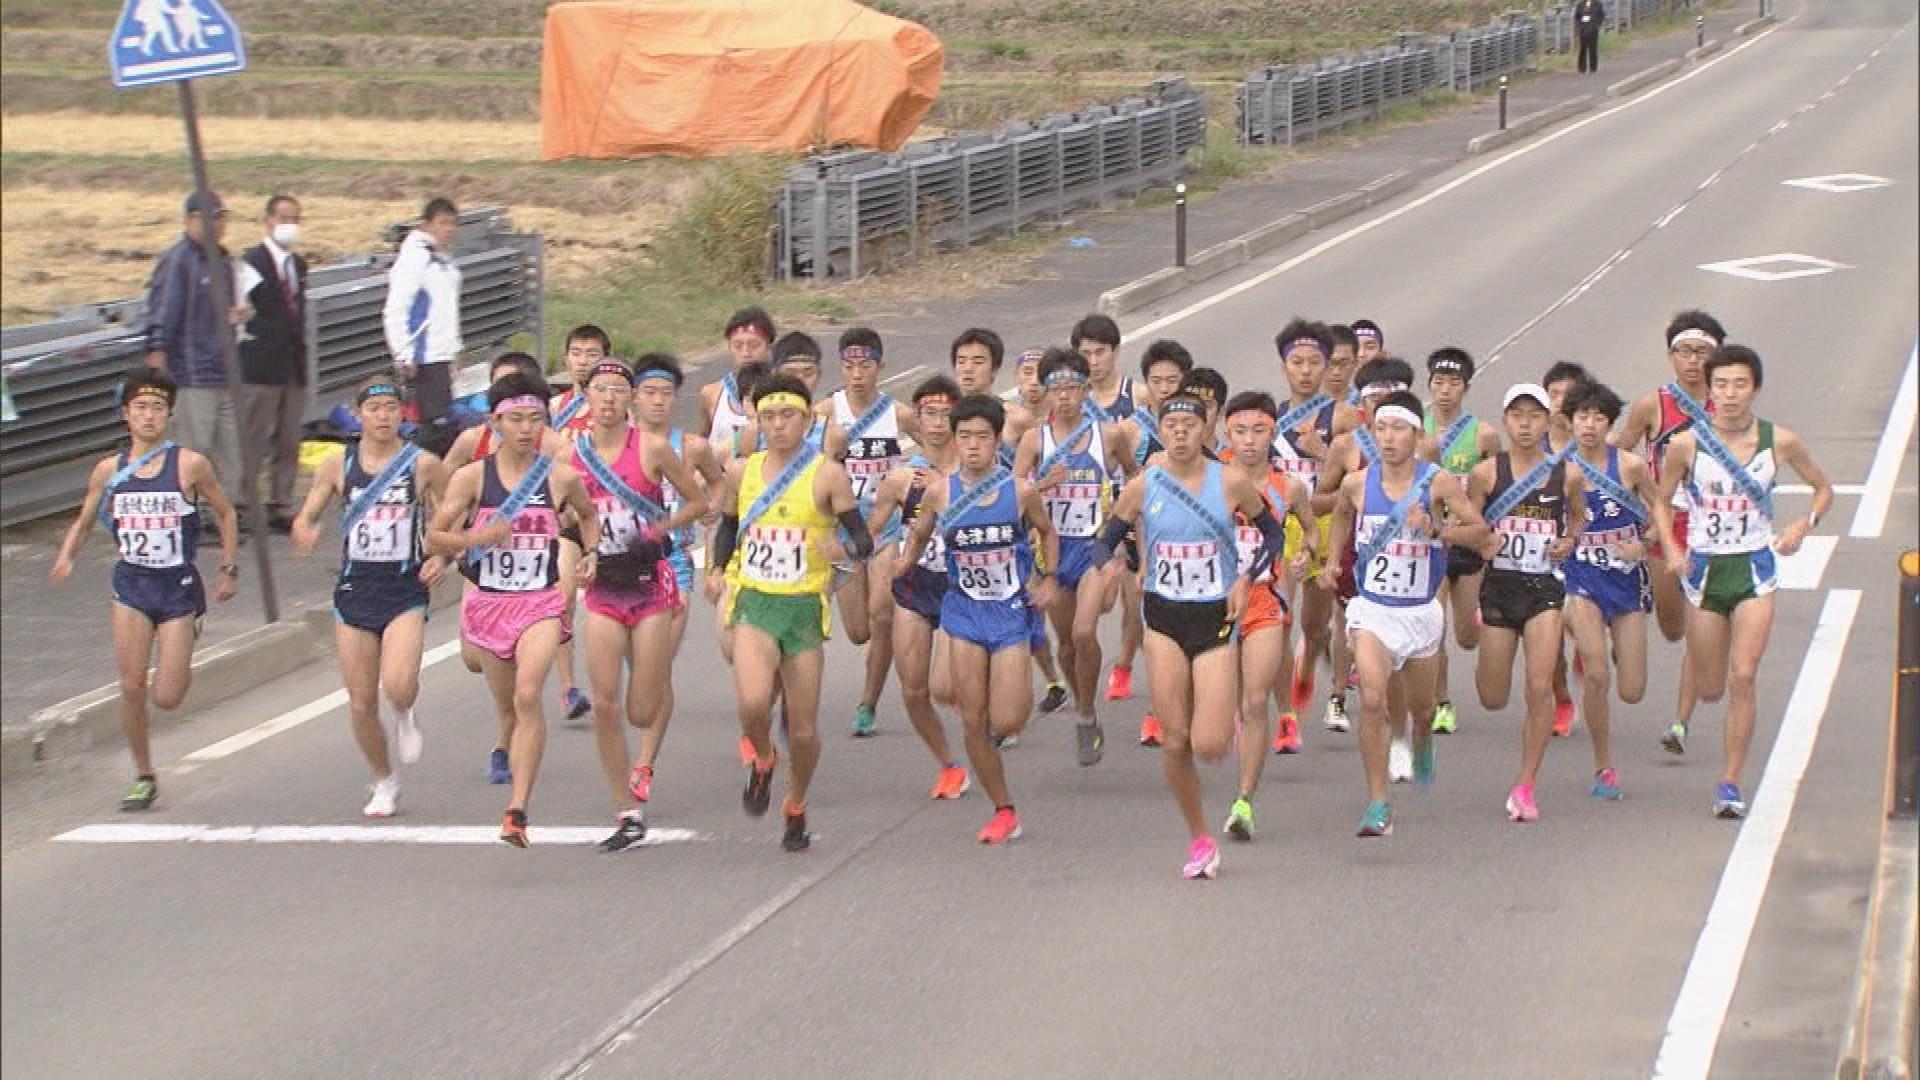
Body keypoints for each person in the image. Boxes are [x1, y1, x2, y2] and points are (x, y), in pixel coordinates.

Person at [1095, 392, 1288, 876]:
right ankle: (1199, 837)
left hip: (1215, 619)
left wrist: (1246, 576)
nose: (1180, 432)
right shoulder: (1143, 486)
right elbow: (1105, 540)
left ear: (1206, 431)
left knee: (1210, 744)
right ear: (1160, 430)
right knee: (1175, 740)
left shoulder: (1232, 482)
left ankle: (1226, 726)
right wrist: (1126, 565)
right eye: (1171, 423)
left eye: (1189, 424)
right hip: (1162, 619)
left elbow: (1273, 534)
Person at [1649, 346, 1832, 818]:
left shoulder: (1780, 441)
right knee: (1711, 686)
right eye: (1722, 385)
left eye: (1740, 384)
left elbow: (1823, 487)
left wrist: (1802, 524)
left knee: (1744, 676)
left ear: (1755, 388)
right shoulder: (1686, 444)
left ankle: (1730, 782)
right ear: (1709, 390)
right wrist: (1671, 547)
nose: (1730, 394)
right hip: (1706, 571)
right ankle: (1702, 710)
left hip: (1754, 568)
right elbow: (1661, 500)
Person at [52, 367, 240, 812]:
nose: (149, 416)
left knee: (168, 697)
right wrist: (67, 555)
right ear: (126, 415)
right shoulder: (108, 470)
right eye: (140, 408)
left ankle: (184, 644)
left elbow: (227, 513)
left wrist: (228, 568)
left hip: (176, 586)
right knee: (132, 685)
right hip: (132, 584)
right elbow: (84, 520)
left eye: (157, 408)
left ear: (169, 415)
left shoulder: (189, 464)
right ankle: (143, 774)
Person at [428, 372, 601, 847]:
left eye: (535, 419)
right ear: (496, 422)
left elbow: (588, 514)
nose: (526, 428)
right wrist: (474, 538)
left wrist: (591, 553)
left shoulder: (559, 476)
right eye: (515, 419)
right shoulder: (469, 478)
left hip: (539, 602)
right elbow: (434, 536)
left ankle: (517, 809)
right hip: (489, 604)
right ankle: (508, 758)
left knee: (529, 696)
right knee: (508, 704)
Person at [706, 374, 874, 852]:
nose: (779, 426)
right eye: (769, 417)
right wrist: (718, 568)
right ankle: (762, 758)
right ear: (757, 422)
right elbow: (729, 527)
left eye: (789, 416)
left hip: (802, 609)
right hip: (755, 602)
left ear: (806, 419)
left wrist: (837, 544)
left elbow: (863, 540)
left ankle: (796, 803)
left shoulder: (827, 474)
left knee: (803, 730)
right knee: (753, 703)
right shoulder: (743, 471)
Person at [1320, 391, 1486, 837]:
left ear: (1417, 435)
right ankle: (1378, 802)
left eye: (1399, 429)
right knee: (1372, 698)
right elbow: (1338, 513)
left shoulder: (1439, 483)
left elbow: (1480, 533)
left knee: (1421, 708)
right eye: (1382, 429)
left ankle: (1421, 739)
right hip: (1373, 610)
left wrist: (1436, 529)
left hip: (1420, 611)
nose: (1389, 438)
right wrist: (1334, 560)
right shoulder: (1358, 483)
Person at [900, 394, 1060, 844]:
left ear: (996, 442)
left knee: (1007, 720)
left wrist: (1047, 579)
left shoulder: (1019, 491)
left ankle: (1008, 700)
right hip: (963, 610)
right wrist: (904, 562)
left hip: (1009, 610)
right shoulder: (940, 490)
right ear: (954, 441)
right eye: (964, 436)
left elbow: (1047, 532)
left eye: (982, 437)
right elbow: (920, 530)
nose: (972, 446)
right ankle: (1003, 808)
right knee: (972, 719)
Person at [289, 377, 449, 817]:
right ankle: (383, 779)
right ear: (358, 416)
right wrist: (304, 528)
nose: (383, 416)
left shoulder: (423, 465)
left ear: (402, 414)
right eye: (374, 408)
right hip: (355, 587)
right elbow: (308, 513)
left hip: (403, 588)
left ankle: (406, 711)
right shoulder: (337, 466)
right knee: (360, 700)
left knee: (397, 685)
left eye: (390, 408)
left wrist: (442, 558)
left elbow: (450, 518)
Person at [570, 358, 709, 852]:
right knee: (605, 705)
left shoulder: (651, 449)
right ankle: (626, 811)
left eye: (617, 389)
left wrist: (660, 532)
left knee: (641, 706)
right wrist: (583, 551)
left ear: (629, 399)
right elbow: (563, 513)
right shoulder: (573, 455)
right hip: (605, 591)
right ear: (585, 396)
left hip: (651, 586)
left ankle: (643, 759)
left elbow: (698, 503)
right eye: (600, 389)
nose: (608, 397)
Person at [1012, 347, 1141, 766]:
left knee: (1085, 632)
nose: (1065, 396)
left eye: (1073, 388)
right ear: (1045, 393)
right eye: (1057, 389)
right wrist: (1043, 485)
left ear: (1086, 390)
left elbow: (1134, 476)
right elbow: (1011, 499)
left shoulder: (1109, 435)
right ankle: (1085, 709)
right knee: (1067, 644)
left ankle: (1085, 714)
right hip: (1053, 550)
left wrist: (1125, 518)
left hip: (1095, 547)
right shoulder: (1034, 440)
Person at [1467, 384, 1587, 823]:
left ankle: (1525, 785)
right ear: (1505, 421)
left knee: (1538, 687)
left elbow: (1579, 514)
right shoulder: (1487, 473)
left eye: (1534, 416)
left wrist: (1569, 541)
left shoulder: (1566, 474)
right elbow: (1466, 520)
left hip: (1543, 589)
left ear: (1548, 422)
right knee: (1493, 696)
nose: (1524, 424)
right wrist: (1482, 540)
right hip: (1499, 588)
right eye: (1516, 415)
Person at [1219, 391, 1318, 837]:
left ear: (1273, 432)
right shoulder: (1210, 479)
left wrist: (1304, 560)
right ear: (1226, 432)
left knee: (1254, 699)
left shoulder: (1290, 486)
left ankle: (1243, 801)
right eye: (1240, 431)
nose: (1249, 441)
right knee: (1227, 703)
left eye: (1259, 431)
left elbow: (1314, 532)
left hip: (1265, 600)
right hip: (1213, 602)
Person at [868, 376, 971, 801]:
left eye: (947, 414)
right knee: (913, 688)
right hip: (914, 583)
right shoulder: (901, 478)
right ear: (917, 417)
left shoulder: (975, 469)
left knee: (947, 686)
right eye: (929, 413)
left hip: (961, 586)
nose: (937, 422)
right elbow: (872, 527)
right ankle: (948, 763)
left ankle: (980, 725)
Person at [1312, 355, 1415, 763]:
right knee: (1347, 623)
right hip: (1360, 550)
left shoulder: (1423, 448)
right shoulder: (1347, 446)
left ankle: (1403, 722)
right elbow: (1319, 500)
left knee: (1400, 642)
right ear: (1364, 402)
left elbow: (1443, 504)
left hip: (1408, 556)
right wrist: (1352, 497)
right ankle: (1338, 694)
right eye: (1376, 398)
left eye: (1393, 398)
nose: (1383, 406)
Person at [1560, 380, 1659, 801]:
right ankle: (1604, 766)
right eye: (1582, 416)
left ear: (1609, 423)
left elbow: (1661, 515)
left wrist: (1646, 543)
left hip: (1624, 578)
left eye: (1598, 417)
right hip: (1580, 576)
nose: (1589, 425)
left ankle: (1610, 646)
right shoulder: (1559, 470)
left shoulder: (1631, 467)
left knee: (1631, 689)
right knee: (1597, 675)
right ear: (1569, 422)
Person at [632, 353, 729, 775]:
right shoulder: (617, 445)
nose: (658, 402)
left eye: (666, 394)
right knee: (638, 675)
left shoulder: (691, 446)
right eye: (650, 393)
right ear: (634, 397)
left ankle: (644, 764)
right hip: (622, 568)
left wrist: (713, 506)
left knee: (656, 669)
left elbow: (720, 481)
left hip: (672, 563)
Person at [819, 327, 918, 737]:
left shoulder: (898, 414)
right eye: (849, 365)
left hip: (885, 526)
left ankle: (867, 703)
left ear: (880, 367)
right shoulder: (824, 411)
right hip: (845, 528)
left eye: (865, 365)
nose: (857, 374)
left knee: (882, 614)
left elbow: (935, 445)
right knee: (859, 630)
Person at [1614, 311, 1727, 645]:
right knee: (1672, 628)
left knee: (1706, 621)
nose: (1692, 361)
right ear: (1670, 356)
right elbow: (1620, 452)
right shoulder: (1653, 404)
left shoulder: (1728, 402)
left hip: (1713, 519)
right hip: (1667, 519)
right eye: (1684, 352)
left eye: (1701, 352)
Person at [1270, 320, 1358, 742]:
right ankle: (1287, 712)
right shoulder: (1268, 417)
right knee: (1280, 619)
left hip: (1324, 526)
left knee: (1314, 623)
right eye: (1296, 362)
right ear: (1284, 366)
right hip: (1280, 530)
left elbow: (1353, 482)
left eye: (1314, 363)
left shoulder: (1341, 416)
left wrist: (1322, 454)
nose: (1305, 371)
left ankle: (1309, 667)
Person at [143, 190, 243, 509]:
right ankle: (188, 514)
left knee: (232, 452)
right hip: (192, 374)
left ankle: (222, 515)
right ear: (189, 221)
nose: (215, 225)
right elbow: (163, 312)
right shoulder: (178, 261)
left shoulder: (224, 261)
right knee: (193, 450)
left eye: (220, 218)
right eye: (207, 219)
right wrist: (158, 360)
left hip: (224, 372)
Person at [1421, 347, 1500, 736]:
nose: (1445, 391)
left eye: (1453, 384)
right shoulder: (1415, 431)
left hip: (1467, 542)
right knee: (1433, 627)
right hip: (1430, 542)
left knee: (1467, 637)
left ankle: (1485, 627)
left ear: (1466, 388)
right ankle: (1442, 703)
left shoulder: (1483, 434)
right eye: (1438, 383)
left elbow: (1497, 485)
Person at [1121, 339, 1194, 745]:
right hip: (1147, 541)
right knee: (1154, 627)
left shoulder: (1194, 425)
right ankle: (1156, 709)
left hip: (1194, 546)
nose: (1164, 388)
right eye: (1156, 381)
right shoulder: (1134, 429)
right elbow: (1123, 486)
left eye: (1172, 380)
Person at [233, 194, 309, 533]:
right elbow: (239, 310)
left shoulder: (298, 266)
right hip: (260, 365)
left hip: (291, 364)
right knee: (254, 438)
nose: (288, 225)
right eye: (282, 217)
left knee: (289, 438)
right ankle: (242, 504)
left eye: (294, 218)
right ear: (268, 220)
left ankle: (281, 502)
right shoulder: (252, 263)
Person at [382, 197, 463, 456]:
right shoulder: (416, 258)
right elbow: (397, 308)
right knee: (432, 431)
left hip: (441, 354)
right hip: (424, 358)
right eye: (442, 223)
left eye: (452, 223)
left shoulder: (441, 260)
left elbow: (446, 310)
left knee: (443, 427)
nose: (448, 229)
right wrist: (404, 353)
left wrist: (454, 352)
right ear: (426, 225)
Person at [700, 307, 776, 459]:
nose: (745, 353)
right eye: (738, 345)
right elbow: (703, 441)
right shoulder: (711, 393)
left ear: (769, 346)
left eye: (754, 345)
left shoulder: (784, 390)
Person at [1574, 0, 1605, 73]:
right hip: (1583, 29)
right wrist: (1580, 26)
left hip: (1593, 29)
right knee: (1583, 49)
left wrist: (1597, 25)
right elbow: (1577, 16)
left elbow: (1602, 16)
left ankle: (1593, 67)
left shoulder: (1598, 4)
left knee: (1593, 49)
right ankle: (1582, 68)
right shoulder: (1580, 4)